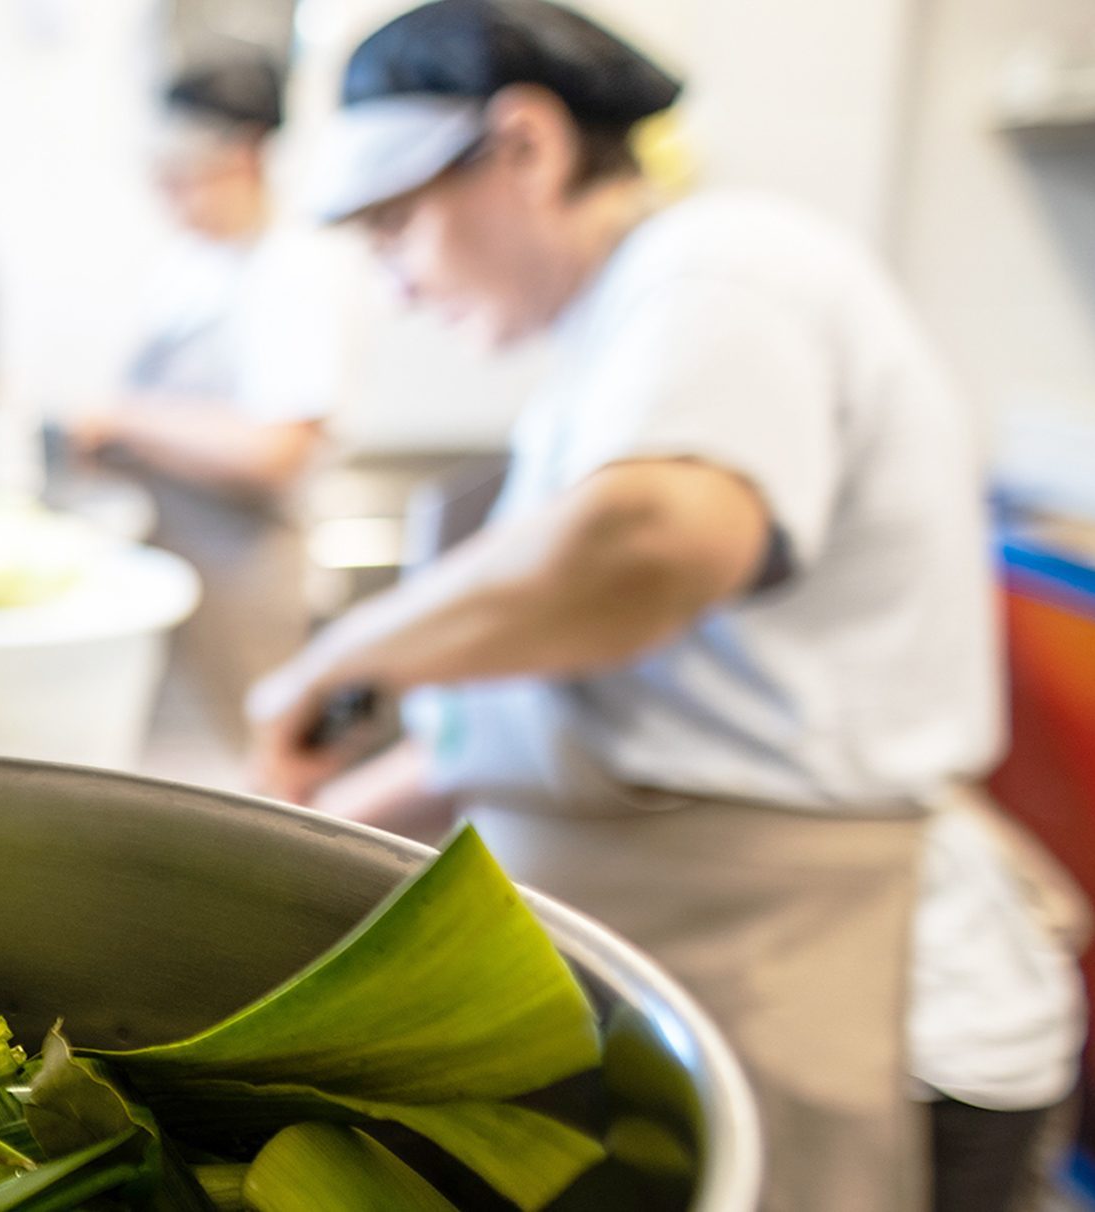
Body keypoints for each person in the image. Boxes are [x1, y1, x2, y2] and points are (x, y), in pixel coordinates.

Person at [243, 2, 1085, 1209]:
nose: (396, 280)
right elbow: (561, 729)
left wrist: (327, 669)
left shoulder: (724, 265)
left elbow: (653, 544)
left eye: (397, 225)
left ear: (525, 145)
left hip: (850, 993)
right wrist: (303, 839)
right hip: (714, 954)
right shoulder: (613, 345)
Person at [69, 57, 354, 751]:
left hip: (246, 571)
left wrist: (128, 418)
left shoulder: (294, 271)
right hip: (174, 549)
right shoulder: (189, 262)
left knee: (259, 768)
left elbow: (278, 448)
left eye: (186, 177)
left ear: (247, 155)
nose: (170, 196)